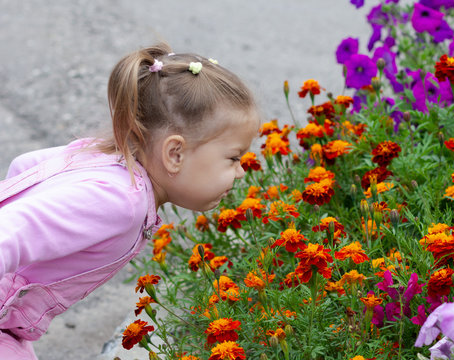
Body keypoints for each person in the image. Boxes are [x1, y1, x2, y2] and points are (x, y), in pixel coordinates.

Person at [0, 43, 260, 359]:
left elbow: (27, 168)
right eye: (233, 157)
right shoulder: (119, 201)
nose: (241, 171)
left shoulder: (104, 156)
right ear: (174, 154)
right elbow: (10, 230)